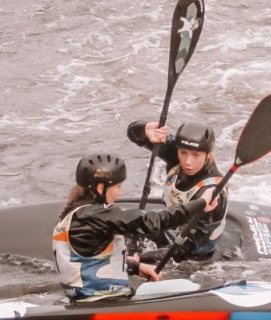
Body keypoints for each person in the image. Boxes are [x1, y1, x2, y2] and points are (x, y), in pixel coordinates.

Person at [53, 153, 217, 301]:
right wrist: (201, 203)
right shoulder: (96, 216)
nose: (121, 193)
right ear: (100, 188)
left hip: (86, 300)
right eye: (118, 187)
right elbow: (153, 221)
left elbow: (87, 260)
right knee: (187, 287)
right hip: (105, 304)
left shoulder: (71, 216)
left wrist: (136, 267)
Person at [125, 119, 229, 270]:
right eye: (183, 153)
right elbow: (134, 134)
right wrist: (144, 129)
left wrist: (136, 260)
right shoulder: (175, 153)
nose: (188, 162)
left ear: (208, 155)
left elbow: (183, 251)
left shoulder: (212, 195)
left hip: (192, 258)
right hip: (169, 230)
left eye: (196, 155)